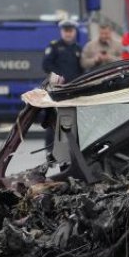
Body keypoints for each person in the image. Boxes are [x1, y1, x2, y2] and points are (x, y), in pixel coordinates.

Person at [41, 19, 84, 161]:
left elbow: (83, 68)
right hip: (57, 90)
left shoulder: (78, 48)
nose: (68, 33)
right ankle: (50, 151)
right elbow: (46, 65)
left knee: (73, 121)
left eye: (70, 30)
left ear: (74, 32)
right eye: (66, 31)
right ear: (61, 32)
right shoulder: (54, 47)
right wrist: (58, 76)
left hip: (74, 90)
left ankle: (72, 152)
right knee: (54, 121)